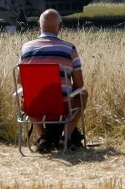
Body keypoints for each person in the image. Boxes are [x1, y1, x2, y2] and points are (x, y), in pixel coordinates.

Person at [19, 8, 87, 152]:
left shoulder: (26, 48)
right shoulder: (69, 49)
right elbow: (79, 84)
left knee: (27, 96)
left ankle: (42, 136)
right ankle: (66, 135)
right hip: (62, 105)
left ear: (39, 25)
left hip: (34, 104)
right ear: (60, 26)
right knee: (83, 94)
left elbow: (20, 80)